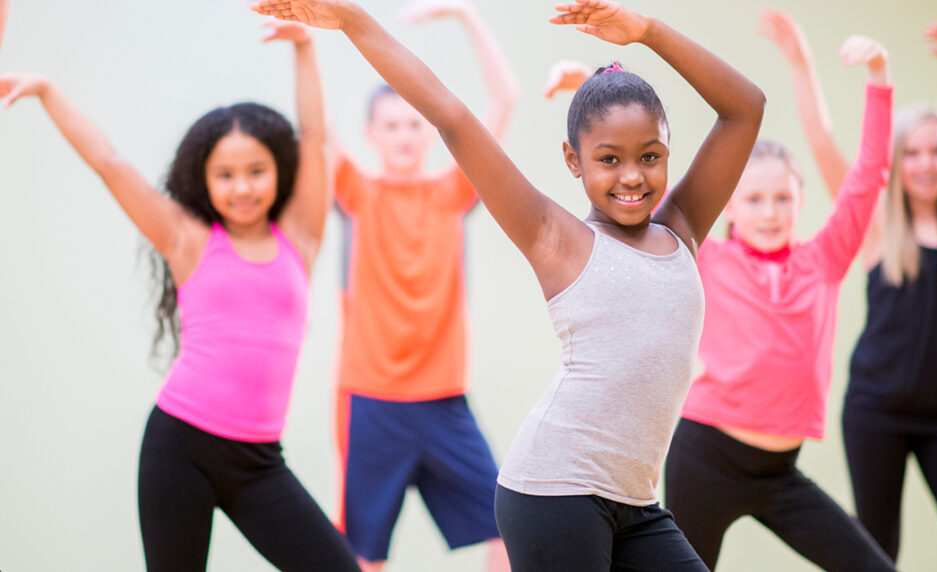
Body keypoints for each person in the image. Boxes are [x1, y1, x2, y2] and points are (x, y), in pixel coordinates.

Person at [252, 1, 765, 570]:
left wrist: (646, 32)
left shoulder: (683, 228)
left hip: (637, 505)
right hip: (554, 492)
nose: (631, 176)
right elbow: (450, 115)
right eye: (608, 159)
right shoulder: (553, 236)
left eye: (650, 156)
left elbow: (745, 108)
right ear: (574, 161)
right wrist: (353, 21)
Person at [0, 21, 360, 572]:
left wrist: (306, 47)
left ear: (278, 171)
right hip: (180, 448)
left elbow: (315, 137)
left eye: (256, 171)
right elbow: (109, 162)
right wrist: (49, 91)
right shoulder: (187, 241)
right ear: (204, 179)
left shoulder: (300, 237)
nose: (242, 187)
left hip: (261, 463)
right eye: (226, 175)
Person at [761, 10, 937, 570]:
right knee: (877, 556)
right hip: (874, 412)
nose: (926, 163)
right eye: (912, 151)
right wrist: (802, 62)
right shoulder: (877, 224)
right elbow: (823, 141)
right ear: (896, 161)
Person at [661, 32, 895, 571]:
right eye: (755, 199)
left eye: (783, 198)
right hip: (704, 457)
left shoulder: (824, 259)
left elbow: (867, 178)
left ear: (801, 202)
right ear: (732, 209)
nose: (770, 212)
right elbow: (637, 190)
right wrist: (592, 80)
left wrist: (879, 78)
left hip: (781, 471)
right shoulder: (708, 258)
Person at [326, 1, 517, 569]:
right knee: (363, 554)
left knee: (511, 528)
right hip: (372, 403)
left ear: (430, 135)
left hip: (443, 401)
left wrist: (468, 18)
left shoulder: (452, 193)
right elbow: (314, 130)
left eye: (415, 124)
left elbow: (504, 99)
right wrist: (305, 43)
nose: (404, 136)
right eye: (392, 126)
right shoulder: (356, 192)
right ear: (371, 135)